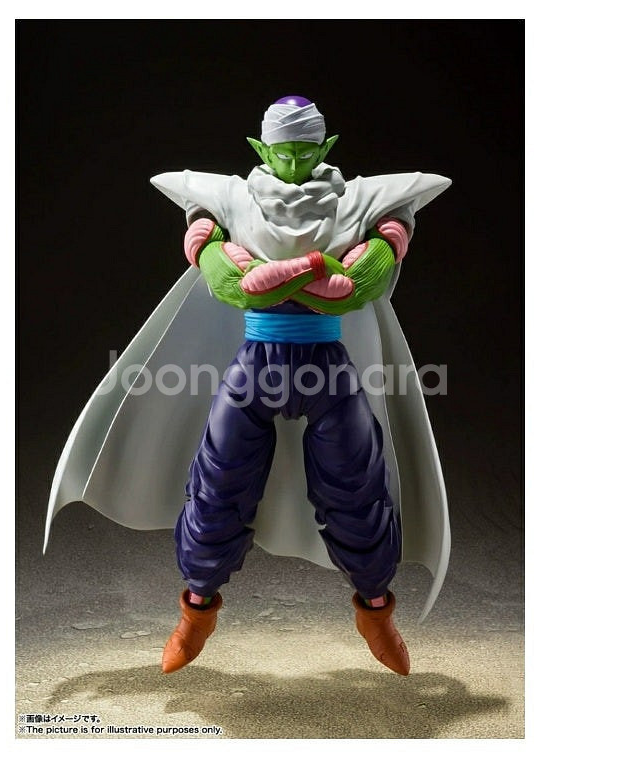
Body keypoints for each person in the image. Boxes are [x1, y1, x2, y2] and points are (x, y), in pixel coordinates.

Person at [150, 96, 450, 675]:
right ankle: (195, 611)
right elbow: (199, 220)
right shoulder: (235, 198)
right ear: (261, 150)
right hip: (256, 362)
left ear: (325, 148)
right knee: (217, 484)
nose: (292, 164)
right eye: (282, 154)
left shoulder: (354, 200)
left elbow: (393, 224)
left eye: (304, 153)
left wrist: (379, 254)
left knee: (357, 486)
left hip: (326, 366)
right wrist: (209, 250)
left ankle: (376, 610)